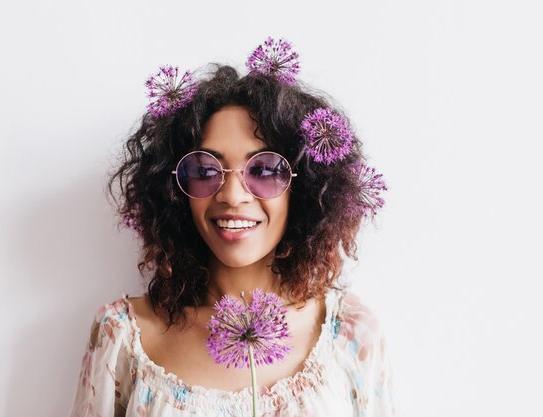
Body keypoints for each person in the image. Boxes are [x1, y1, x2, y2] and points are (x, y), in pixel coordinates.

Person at [68, 38, 399, 417]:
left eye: (264, 170)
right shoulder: (123, 337)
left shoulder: (350, 335)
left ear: (303, 187)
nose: (232, 195)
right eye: (206, 170)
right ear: (175, 190)